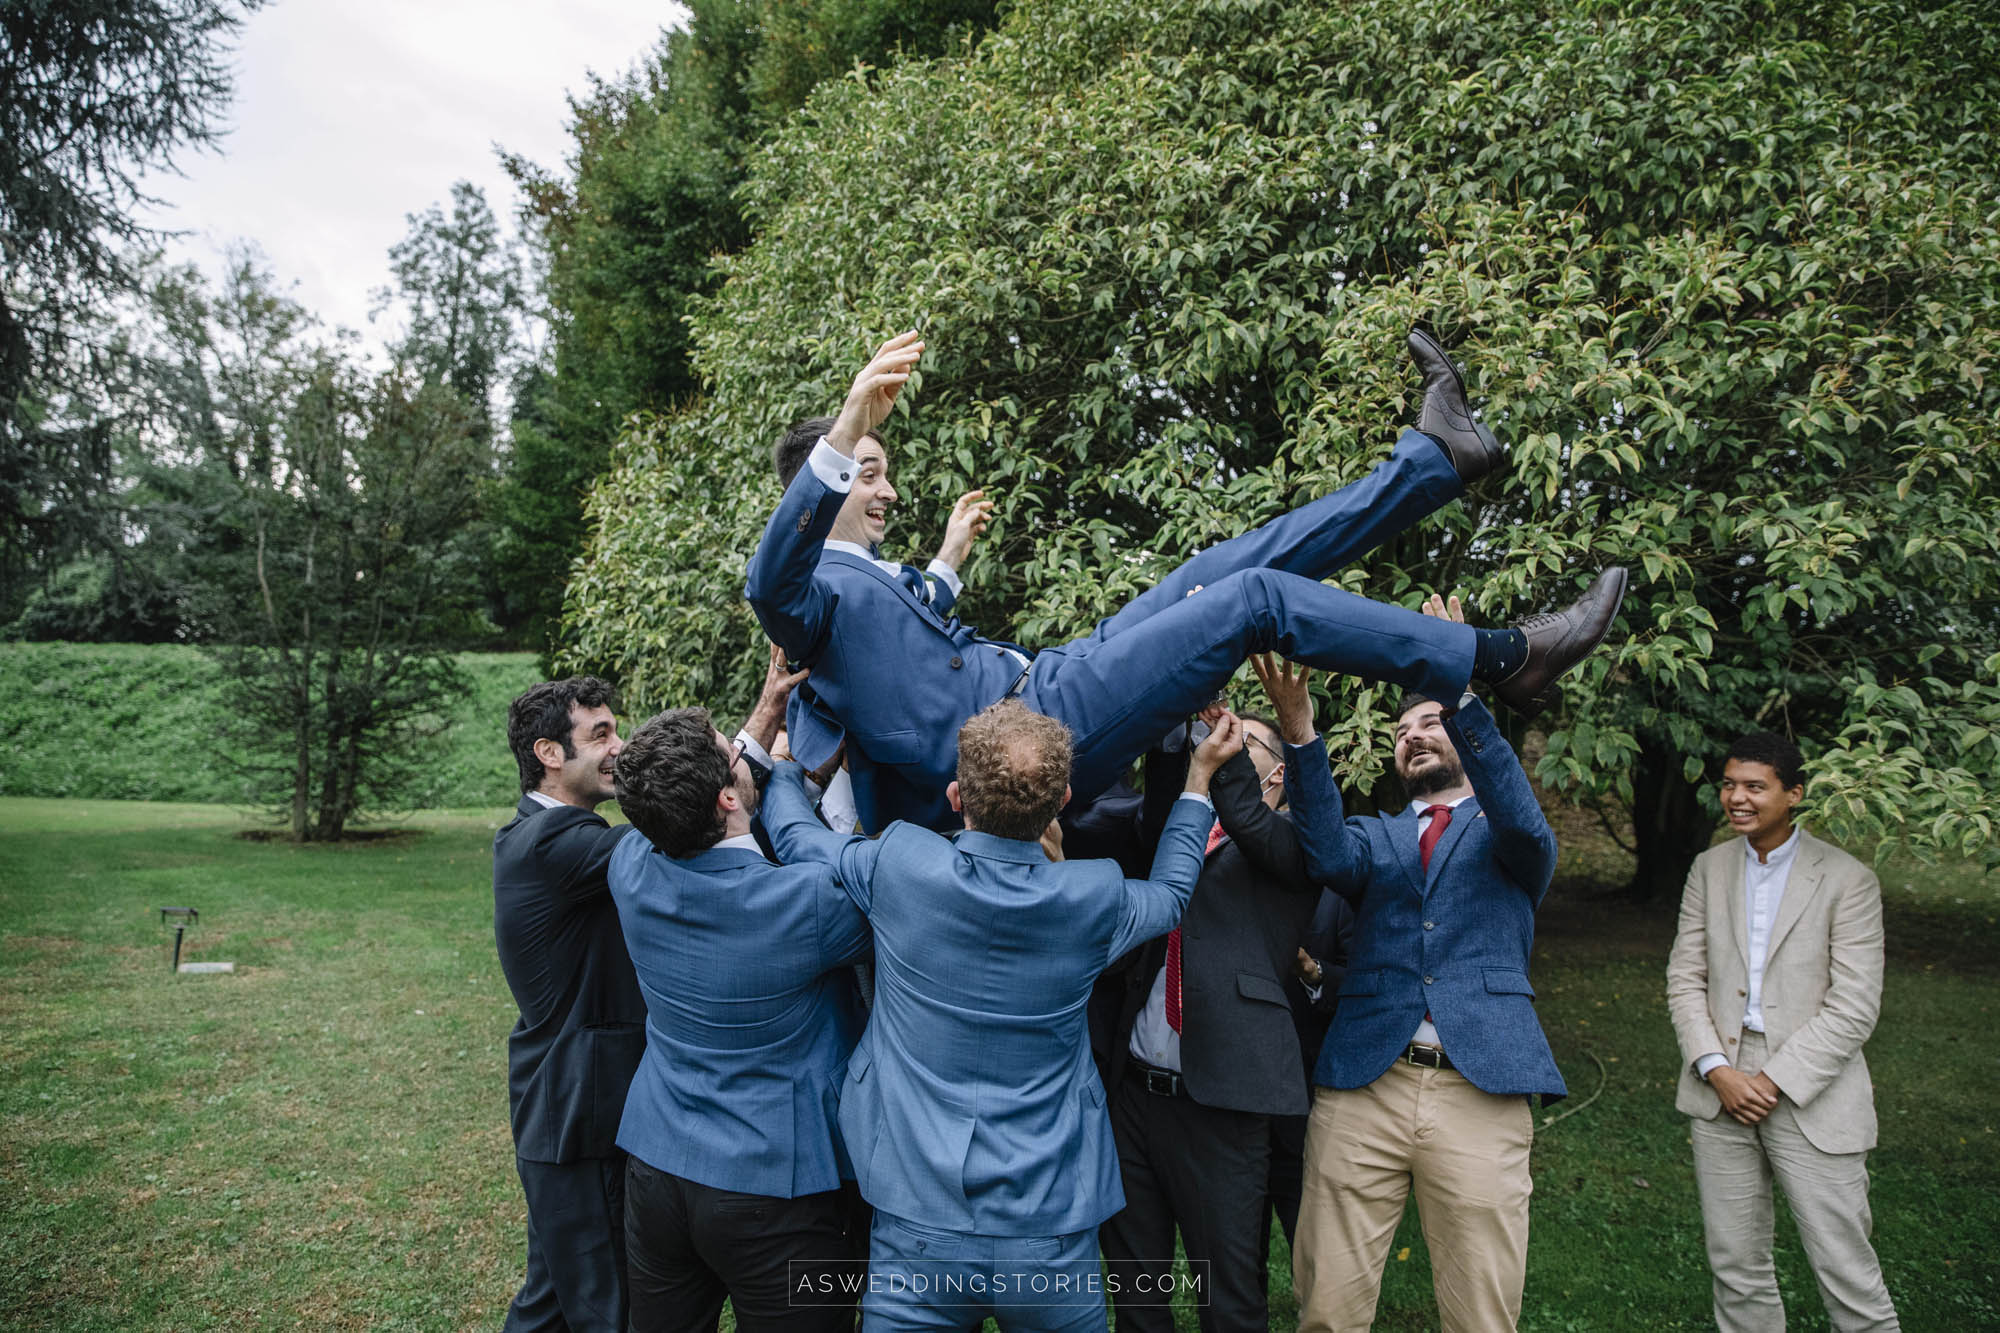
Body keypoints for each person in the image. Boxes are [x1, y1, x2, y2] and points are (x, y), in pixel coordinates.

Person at [746, 327, 1629, 834]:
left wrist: (944, 554)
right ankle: (1502, 656)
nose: (888, 487)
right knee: (1250, 609)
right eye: (867, 472)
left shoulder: (869, 575)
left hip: (1052, 671)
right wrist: (850, 420)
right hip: (1033, 732)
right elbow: (769, 584)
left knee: (1232, 565)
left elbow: (922, 616)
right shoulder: (806, 590)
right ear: (814, 489)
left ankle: (1434, 461)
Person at [761, 700, 1234, 1331]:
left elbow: (796, 840)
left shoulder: (899, 864)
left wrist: (789, 771)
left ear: (957, 795)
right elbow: (1173, 894)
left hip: (913, 1221)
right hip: (1050, 1226)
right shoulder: (1092, 896)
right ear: (1062, 799)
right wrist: (1197, 781)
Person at [1285, 594, 1566, 1333]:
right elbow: (1324, 852)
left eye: (1429, 721)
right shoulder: (1374, 837)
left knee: (1482, 1311)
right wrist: (1301, 732)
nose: (1412, 735)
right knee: (1327, 1306)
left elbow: (1520, 815)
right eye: (1401, 729)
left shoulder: (1512, 836)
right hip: (1362, 1088)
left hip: (1481, 1089)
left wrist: (1457, 685)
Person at [492, 654, 797, 1333]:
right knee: (607, 1311)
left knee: (550, 1300)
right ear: (549, 752)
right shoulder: (554, 843)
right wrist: (765, 760)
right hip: (582, 1116)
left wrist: (765, 709)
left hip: (559, 1108)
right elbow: (685, 819)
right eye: (600, 733)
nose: (618, 747)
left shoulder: (538, 833)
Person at [608, 705, 871, 1333]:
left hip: (658, 1166)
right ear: (729, 796)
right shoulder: (803, 904)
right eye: (734, 752)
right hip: (777, 1188)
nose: (742, 752)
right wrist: (782, 777)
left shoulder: (629, 867)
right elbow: (852, 873)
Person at [1094, 656, 1334, 1333]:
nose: (1220, 743)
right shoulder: (1177, 830)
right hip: (1135, 1096)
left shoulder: (1296, 847)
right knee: (1136, 1288)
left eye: (1242, 739)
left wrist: (1223, 749)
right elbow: (1174, 781)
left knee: (1227, 1295)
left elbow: (1254, 822)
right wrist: (1189, 688)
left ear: (1279, 772)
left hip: (1224, 1101)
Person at [1665, 732, 1900, 1331]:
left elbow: (1855, 1005)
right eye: (1729, 784)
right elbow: (1684, 979)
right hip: (1719, 1084)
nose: (1736, 798)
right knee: (1736, 1268)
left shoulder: (1849, 880)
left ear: (1793, 794)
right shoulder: (1708, 869)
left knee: (1846, 1271)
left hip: (1811, 1088)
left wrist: (1771, 1080)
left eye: (1754, 787)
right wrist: (1716, 1069)